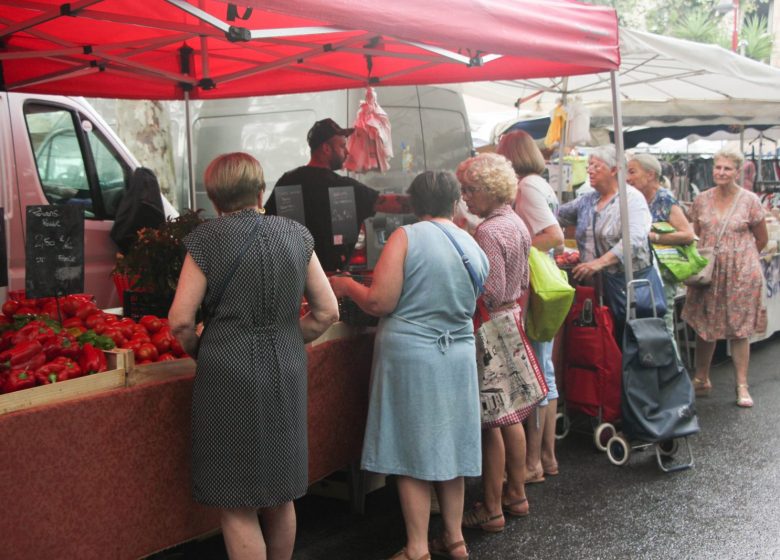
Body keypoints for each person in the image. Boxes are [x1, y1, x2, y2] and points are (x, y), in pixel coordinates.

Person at [168, 152, 339, 560]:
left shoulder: (205, 240)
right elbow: (328, 312)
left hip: (226, 370)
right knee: (281, 494)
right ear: (261, 190)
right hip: (287, 365)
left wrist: (202, 352)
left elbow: (179, 322)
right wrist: (288, 337)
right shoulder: (298, 235)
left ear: (214, 199)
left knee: (236, 499)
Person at [330, 171, 488, 560]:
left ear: (413, 205)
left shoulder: (407, 237)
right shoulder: (472, 243)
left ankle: (417, 548)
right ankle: (454, 538)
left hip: (412, 354)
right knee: (451, 445)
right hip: (458, 354)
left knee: (410, 448)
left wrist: (346, 285)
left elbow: (379, 302)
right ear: (454, 204)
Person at [456, 153, 533, 533]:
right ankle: (515, 495)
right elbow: (520, 283)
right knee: (513, 415)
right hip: (512, 321)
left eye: (470, 190)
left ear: (488, 190)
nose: (466, 197)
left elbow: (492, 290)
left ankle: (490, 508)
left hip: (490, 327)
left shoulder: (488, 231)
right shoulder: (515, 222)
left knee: (491, 422)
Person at [496, 130, 564, 484]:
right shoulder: (539, 183)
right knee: (543, 371)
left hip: (534, 287)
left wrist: (515, 249)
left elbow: (553, 235)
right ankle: (545, 459)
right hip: (542, 284)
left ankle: (534, 462)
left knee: (538, 373)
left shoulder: (527, 187)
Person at [682, 148, 768, 408]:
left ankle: (742, 385)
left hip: (741, 272)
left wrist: (742, 259)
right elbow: (695, 235)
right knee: (705, 326)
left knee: (740, 329)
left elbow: (761, 239)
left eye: (727, 168)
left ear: (738, 172)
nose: (720, 172)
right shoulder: (702, 200)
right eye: (718, 167)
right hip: (710, 272)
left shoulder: (750, 200)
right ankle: (701, 378)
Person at [558, 144, 652, 343]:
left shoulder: (631, 200)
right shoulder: (587, 200)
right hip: (594, 288)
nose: (590, 170)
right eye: (589, 165)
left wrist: (599, 263)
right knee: (599, 341)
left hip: (624, 287)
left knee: (626, 340)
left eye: (596, 166)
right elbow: (556, 217)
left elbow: (634, 239)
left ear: (614, 169)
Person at [265, 118, 380, 271]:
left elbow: (265, 223)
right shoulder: (344, 186)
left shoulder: (287, 181)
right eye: (342, 146)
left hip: (296, 282)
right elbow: (389, 203)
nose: (347, 152)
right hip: (333, 284)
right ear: (326, 148)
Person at [626, 153, 695, 352]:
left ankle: (673, 378)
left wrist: (653, 237)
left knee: (662, 326)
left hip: (661, 274)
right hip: (641, 272)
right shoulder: (633, 198)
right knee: (645, 325)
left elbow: (688, 234)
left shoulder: (663, 198)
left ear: (650, 175)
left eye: (632, 171)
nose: (627, 178)